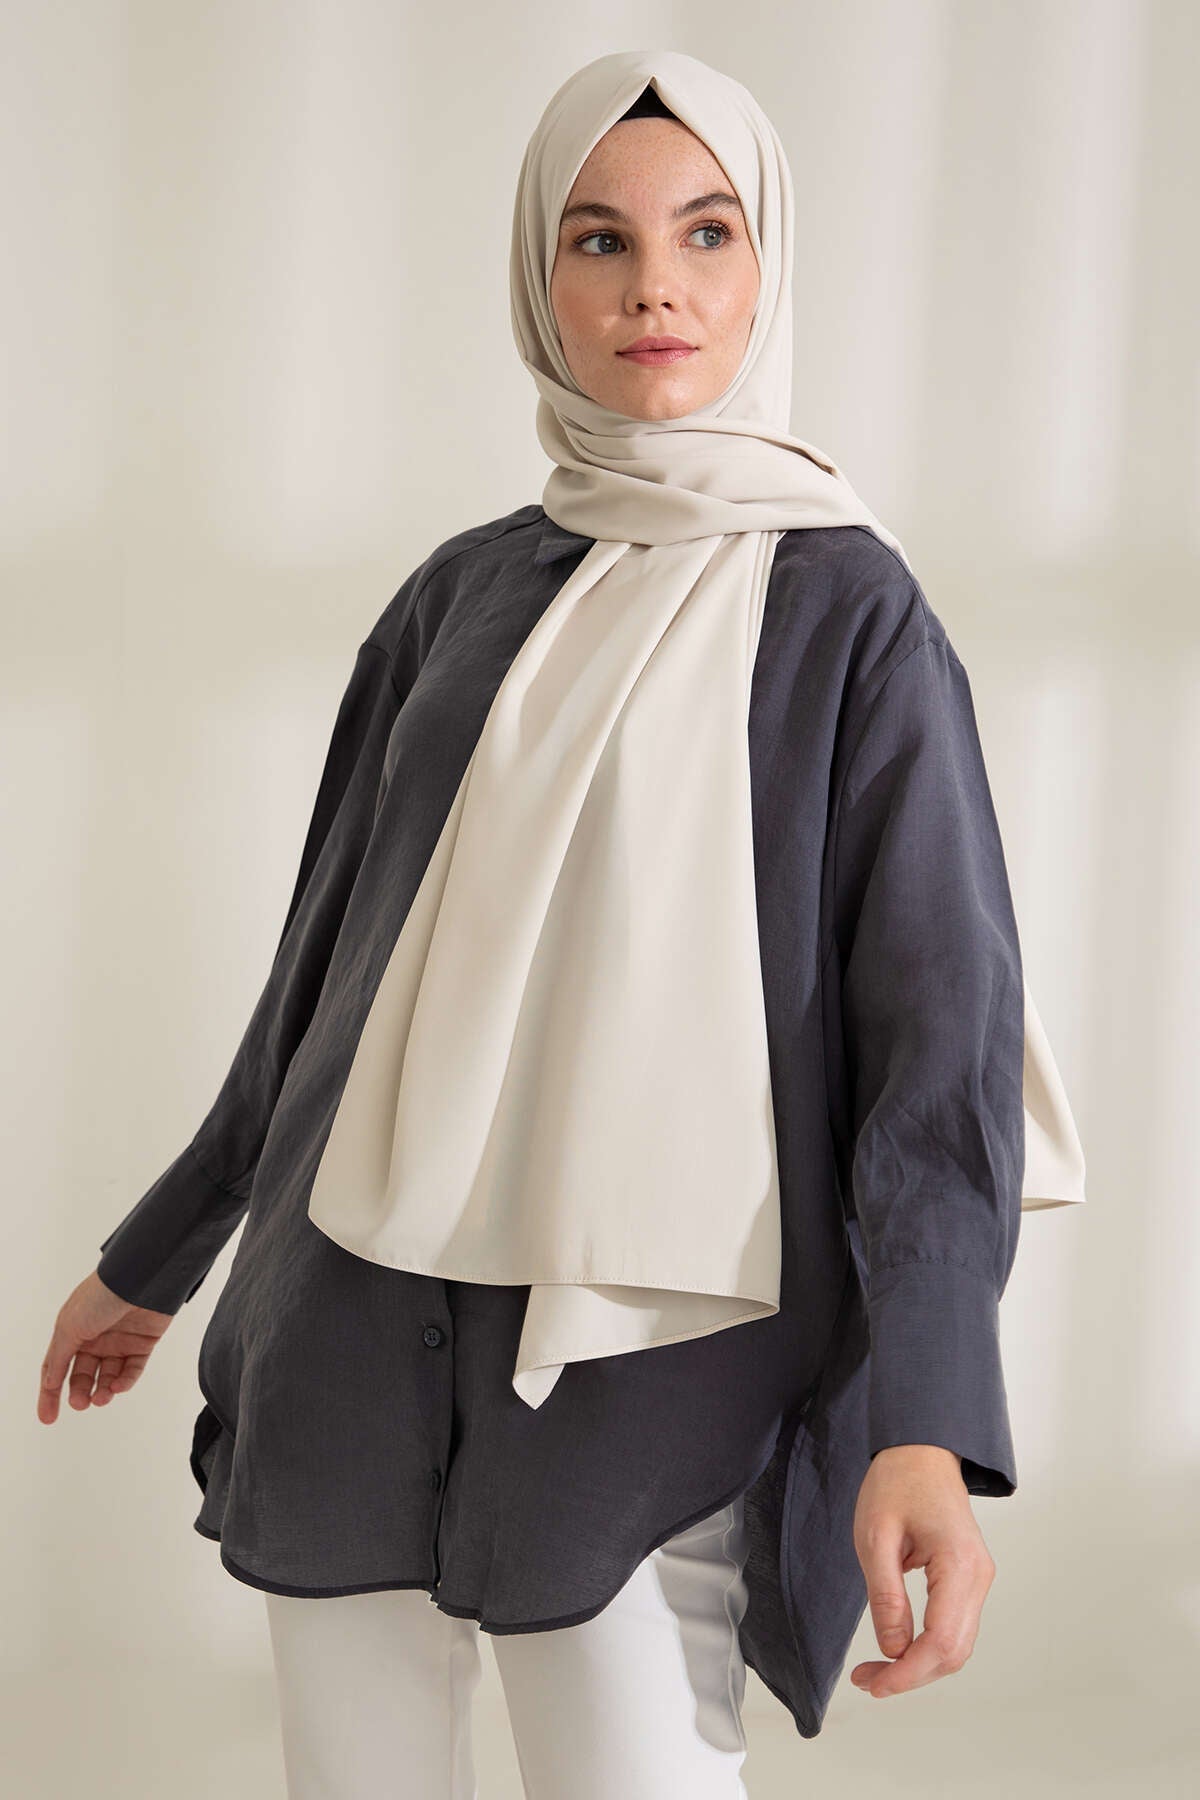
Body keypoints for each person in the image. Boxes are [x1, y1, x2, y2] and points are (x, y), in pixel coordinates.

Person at [38, 49, 1085, 1800]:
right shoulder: (457, 596)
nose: (655, 286)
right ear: (541, 279)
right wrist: (160, 1253)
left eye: (707, 233)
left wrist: (929, 1419)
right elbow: (324, 977)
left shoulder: (851, 615)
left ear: (767, 266)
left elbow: (936, 1052)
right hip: (352, 1330)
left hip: (653, 1378)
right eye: (600, 239)